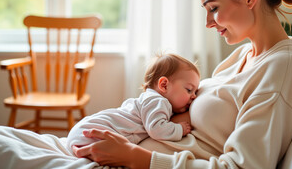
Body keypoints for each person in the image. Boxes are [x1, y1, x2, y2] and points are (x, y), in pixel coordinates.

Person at [71, 0, 292, 168]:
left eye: (213, 8)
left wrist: (133, 156)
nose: (208, 23)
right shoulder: (244, 56)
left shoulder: (284, 69)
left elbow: (241, 167)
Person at [67, 53, 200, 152]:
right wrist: (179, 129)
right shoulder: (158, 101)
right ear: (164, 85)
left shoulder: (149, 99)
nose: (194, 96)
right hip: (91, 131)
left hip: (82, 130)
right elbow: (157, 130)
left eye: (195, 91)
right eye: (189, 90)